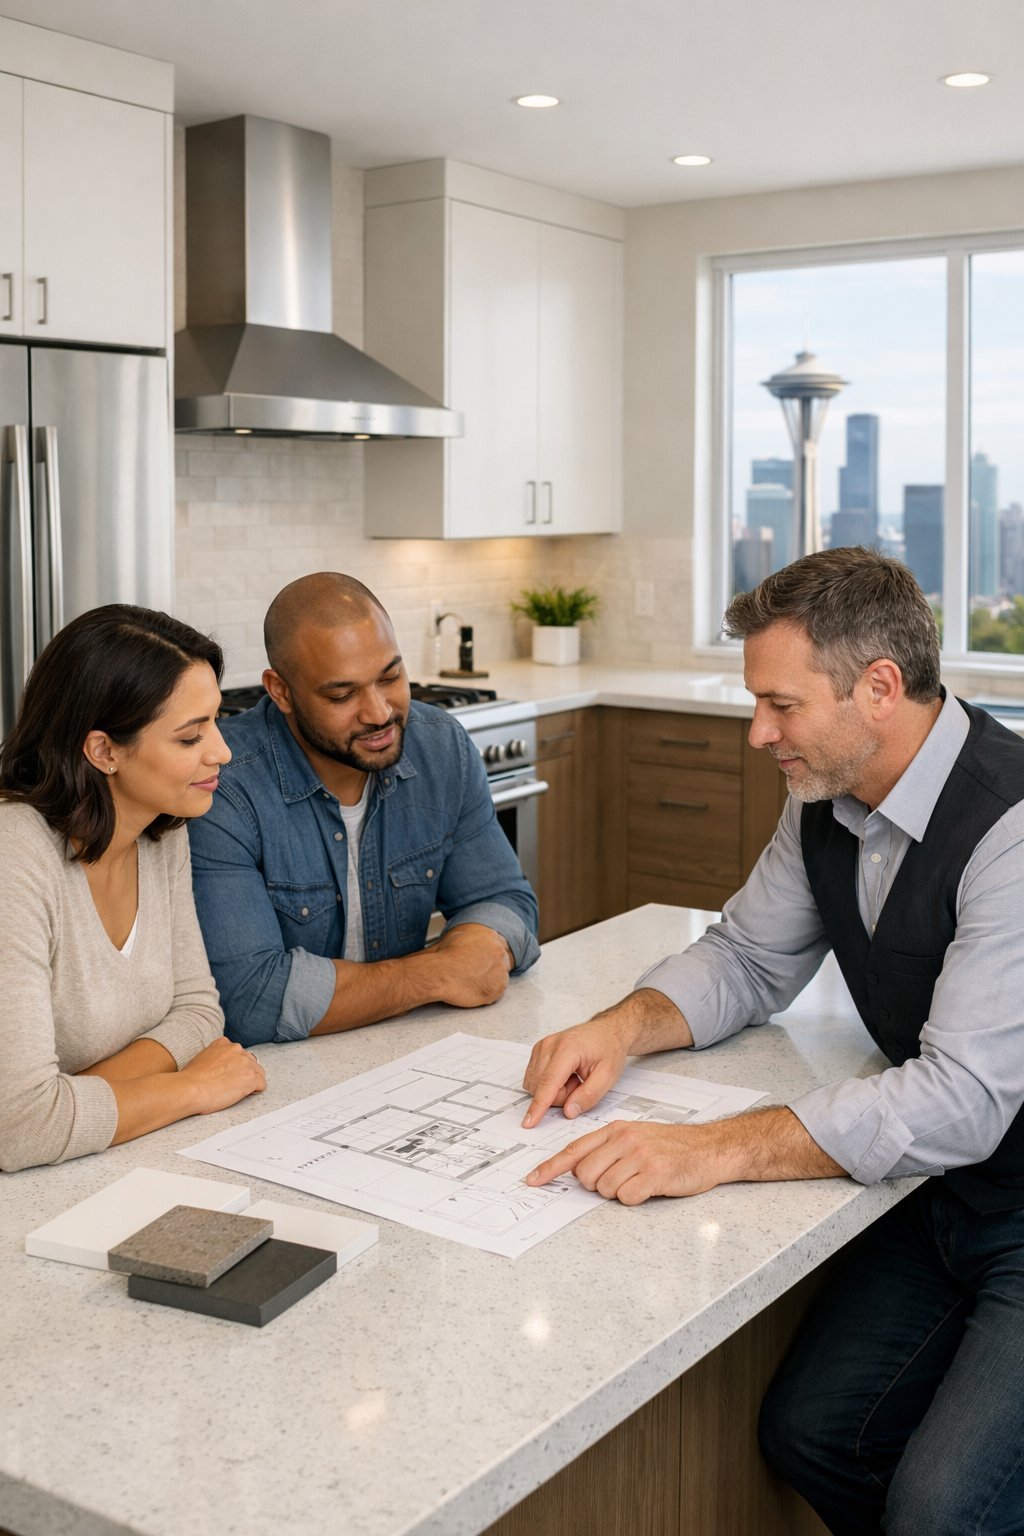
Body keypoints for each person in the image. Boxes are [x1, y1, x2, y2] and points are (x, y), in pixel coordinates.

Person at [521, 546, 1024, 1536]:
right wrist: (619, 1028)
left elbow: (962, 1099)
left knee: (937, 1509)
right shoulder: (825, 798)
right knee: (810, 1435)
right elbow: (749, 958)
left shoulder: (1009, 827)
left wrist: (713, 1150)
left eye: (780, 705)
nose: (758, 733)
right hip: (943, 1196)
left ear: (877, 688)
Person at [188, 572, 539, 1047]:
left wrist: (480, 939)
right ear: (280, 691)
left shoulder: (440, 746)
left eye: (391, 676)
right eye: (342, 694)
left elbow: (507, 900)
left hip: (405, 1051)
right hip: (279, 1084)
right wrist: (436, 974)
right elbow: (250, 999)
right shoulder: (222, 785)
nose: (378, 712)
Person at [0, 606, 266, 1173]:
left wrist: (72, 1101)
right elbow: (21, 1130)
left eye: (216, 722)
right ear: (104, 751)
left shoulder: (160, 830)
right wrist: (192, 1089)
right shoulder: (13, 854)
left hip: (90, 1166)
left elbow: (198, 1013)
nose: (221, 751)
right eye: (191, 735)